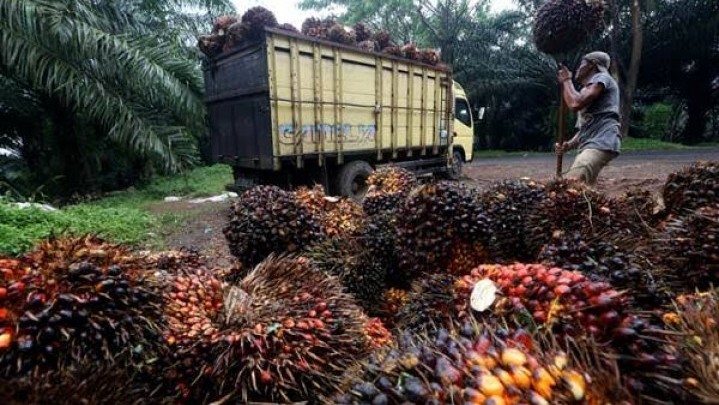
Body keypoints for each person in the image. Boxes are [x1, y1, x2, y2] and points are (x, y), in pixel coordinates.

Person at [555, 51, 621, 185]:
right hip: (590, 144)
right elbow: (585, 129)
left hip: (602, 142)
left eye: (582, 64)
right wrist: (568, 145)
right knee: (583, 190)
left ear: (592, 65)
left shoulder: (602, 78)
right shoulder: (587, 89)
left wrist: (567, 81)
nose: (578, 68)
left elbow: (575, 104)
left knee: (571, 184)